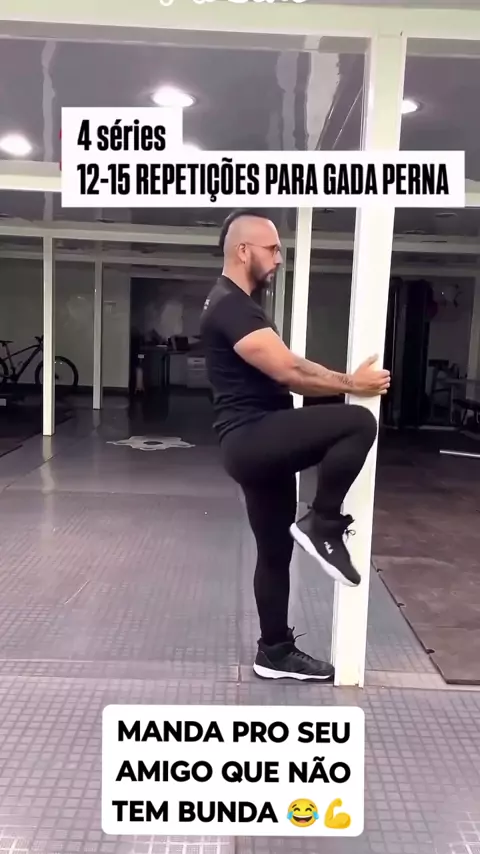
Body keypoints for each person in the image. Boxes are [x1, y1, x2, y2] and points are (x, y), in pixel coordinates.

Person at [200, 209, 390, 683]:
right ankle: (322, 522)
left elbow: (290, 369)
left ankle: (275, 652)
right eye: (272, 249)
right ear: (243, 250)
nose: (279, 258)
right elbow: (289, 370)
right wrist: (353, 384)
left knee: (274, 551)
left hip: (256, 443)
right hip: (253, 435)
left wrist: (342, 381)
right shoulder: (231, 306)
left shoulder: (236, 303)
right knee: (357, 423)